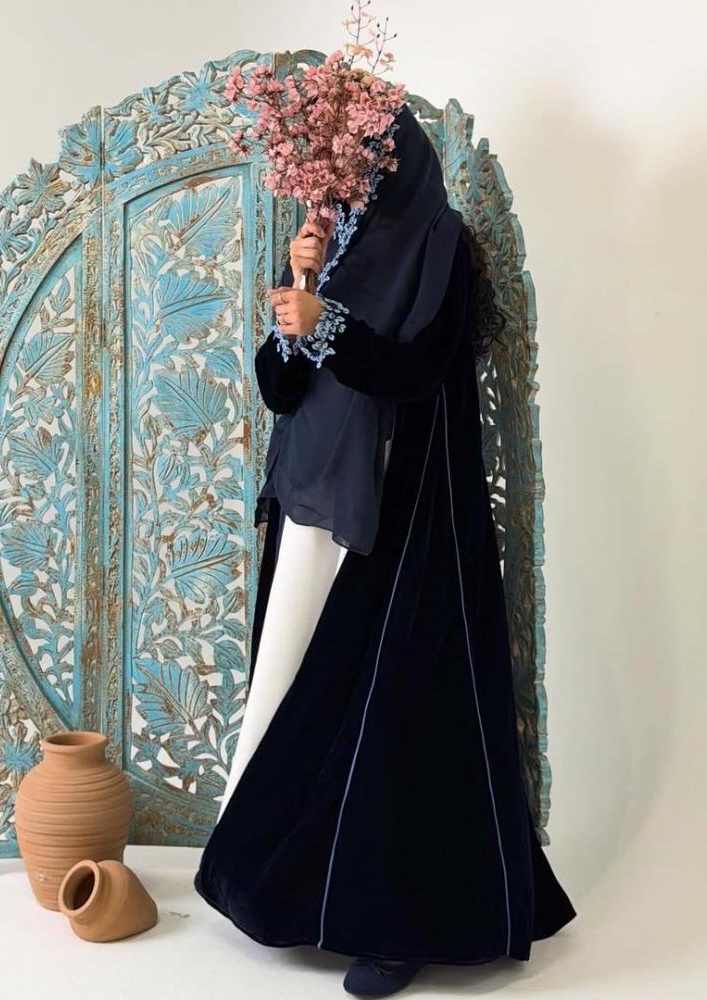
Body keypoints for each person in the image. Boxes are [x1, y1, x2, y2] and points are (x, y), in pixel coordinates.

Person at [193, 103, 576, 998]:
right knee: (299, 687)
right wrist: (302, 290)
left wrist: (326, 319)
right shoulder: (333, 246)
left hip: (402, 513)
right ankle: (287, 882)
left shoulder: (443, 243)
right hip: (314, 498)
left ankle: (397, 924)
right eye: (345, 169)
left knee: (394, 708)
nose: (354, 184)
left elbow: (419, 370)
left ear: (400, 161)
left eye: (367, 163)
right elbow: (280, 388)